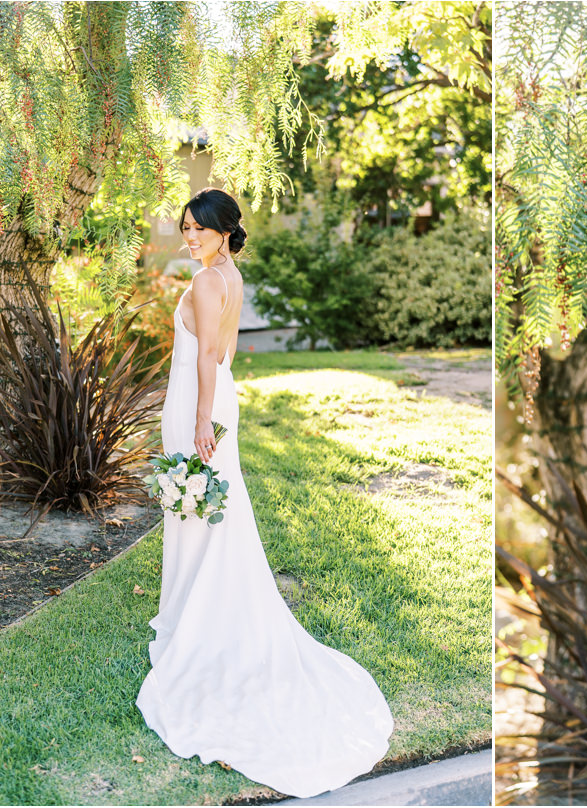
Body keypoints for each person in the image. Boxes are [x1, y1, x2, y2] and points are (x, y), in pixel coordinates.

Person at [136, 187, 393, 797]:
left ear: (224, 231)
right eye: (185, 227)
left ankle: (193, 620)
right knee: (210, 509)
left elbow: (203, 359)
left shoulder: (204, 282)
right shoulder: (229, 275)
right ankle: (191, 606)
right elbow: (224, 353)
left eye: (199, 229)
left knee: (196, 507)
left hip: (200, 404)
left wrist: (199, 421)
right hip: (223, 400)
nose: (189, 237)